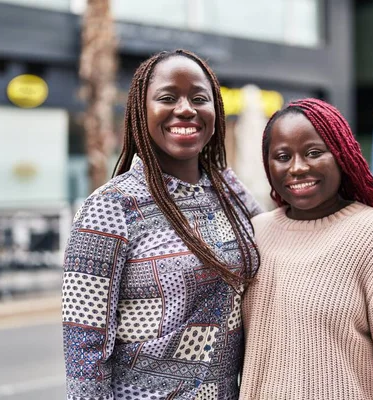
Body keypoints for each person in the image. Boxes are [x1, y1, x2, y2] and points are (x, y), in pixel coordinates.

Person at [62, 49, 261, 400]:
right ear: (142, 109)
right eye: (167, 97)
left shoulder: (230, 191)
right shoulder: (111, 206)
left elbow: (282, 241)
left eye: (200, 98)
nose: (186, 109)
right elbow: (84, 352)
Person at [240, 98, 373, 399]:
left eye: (314, 153)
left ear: (341, 155)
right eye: (282, 156)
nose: (297, 168)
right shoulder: (253, 234)